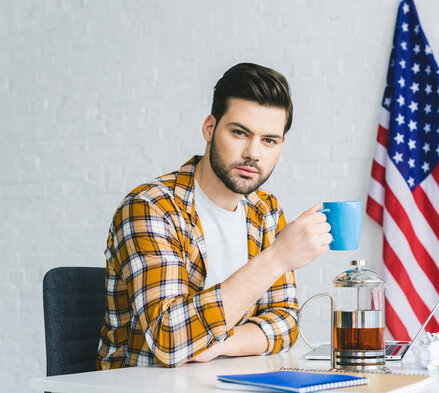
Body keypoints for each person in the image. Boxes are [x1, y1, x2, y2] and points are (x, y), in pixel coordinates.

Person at [96, 63, 332, 369]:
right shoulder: (151, 207)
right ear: (210, 128)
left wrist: (218, 344)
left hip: (220, 386)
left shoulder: (266, 211)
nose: (253, 153)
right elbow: (171, 340)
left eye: (268, 140)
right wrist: (277, 257)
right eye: (239, 133)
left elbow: (285, 324)